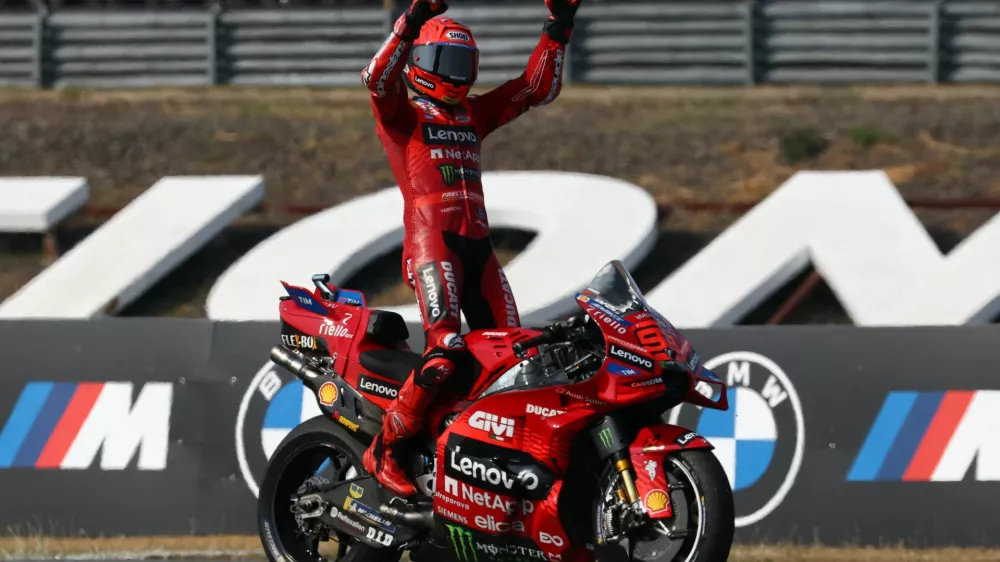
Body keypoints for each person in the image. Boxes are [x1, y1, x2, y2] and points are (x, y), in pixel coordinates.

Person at [360, 0, 583, 497]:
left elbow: (535, 89)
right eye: (446, 61)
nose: (457, 74)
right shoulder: (401, 113)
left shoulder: (472, 114)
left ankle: (484, 459)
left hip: (479, 249)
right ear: (420, 61)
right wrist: (410, 21)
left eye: (465, 63)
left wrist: (558, 27)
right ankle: (387, 449)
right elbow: (374, 79)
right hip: (431, 243)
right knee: (444, 351)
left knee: (518, 358)